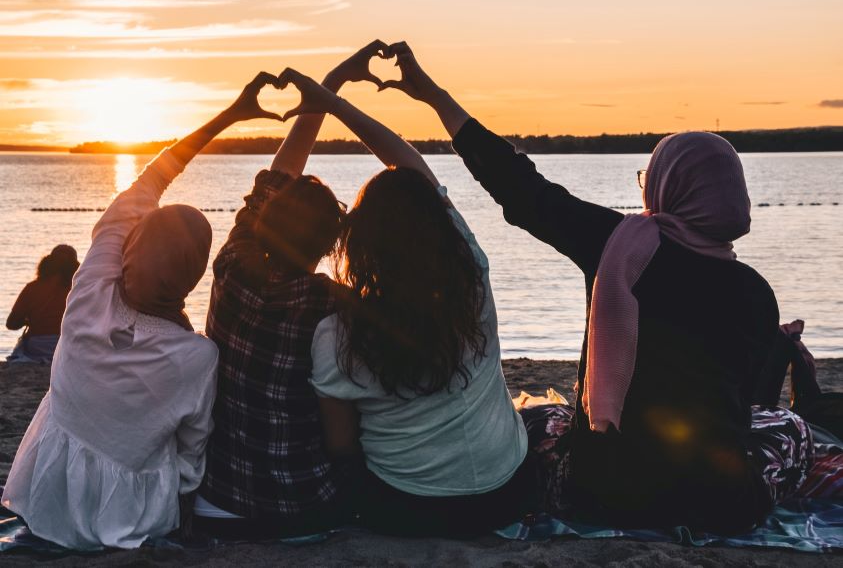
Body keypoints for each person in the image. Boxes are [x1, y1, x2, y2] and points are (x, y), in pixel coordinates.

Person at [378, 42, 813, 533]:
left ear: (668, 186)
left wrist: (434, 97)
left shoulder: (616, 245)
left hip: (602, 492)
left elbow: (519, 186)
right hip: (718, 503)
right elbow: (746, 405)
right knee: (792, 428)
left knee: (538, 419)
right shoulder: (755, 293)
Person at [1, 74, 284, 550]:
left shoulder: (89, 290)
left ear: (127, 252)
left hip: (48, 494)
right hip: (132, 513)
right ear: (193, 276)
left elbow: (153, 178)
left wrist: (230, 115)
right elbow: (192, 452)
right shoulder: (197, 356)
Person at [274, 67, 532, 538]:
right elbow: (414, 171)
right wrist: (334, 104)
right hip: (506, 494)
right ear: (437, 228)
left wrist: (328, 97)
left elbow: (342, 446)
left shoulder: (338, 332)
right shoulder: (471, 276)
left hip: (404, 510)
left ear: (361, 242)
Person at [195, 42, 390, 539]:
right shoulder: (332, 303)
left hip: (220, 503)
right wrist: (332, 89)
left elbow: (277, 175)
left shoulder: (231, 265)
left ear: (265, 221)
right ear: (330, 244)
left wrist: (329, 86)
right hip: (305, 506)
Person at [6, 244, 79, 364]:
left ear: (48, 263)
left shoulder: (32, 288)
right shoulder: (79, 289)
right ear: (75, 266)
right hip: (68, 346)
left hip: (37, 346)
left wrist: (28, 321)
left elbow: (11, 324)